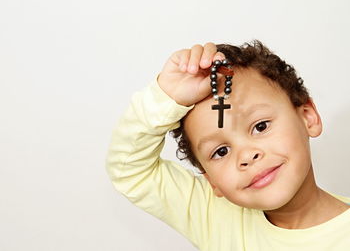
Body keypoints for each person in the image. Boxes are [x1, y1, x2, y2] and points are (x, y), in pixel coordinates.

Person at [106, 41, 350, 250]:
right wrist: (167, 97)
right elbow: (129, 170)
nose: (246, 155)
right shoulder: (214, 216)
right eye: (220, 151)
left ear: (307, 117)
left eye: (261, 126)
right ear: (212, 180)